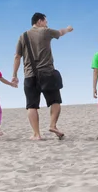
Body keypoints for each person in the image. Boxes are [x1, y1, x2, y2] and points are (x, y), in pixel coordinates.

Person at [11, 12, 73, 140]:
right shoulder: (45, 32)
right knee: (55, 101)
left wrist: (14, 75)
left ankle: (36, 134)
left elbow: (17, 56)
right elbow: (60, 32)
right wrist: (68, 29)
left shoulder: (23, 36)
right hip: (47, 73)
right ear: (39, 21)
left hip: (29, 75)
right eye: (45, 22)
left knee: (31, 105)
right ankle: (52, 125)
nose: (46, 24)